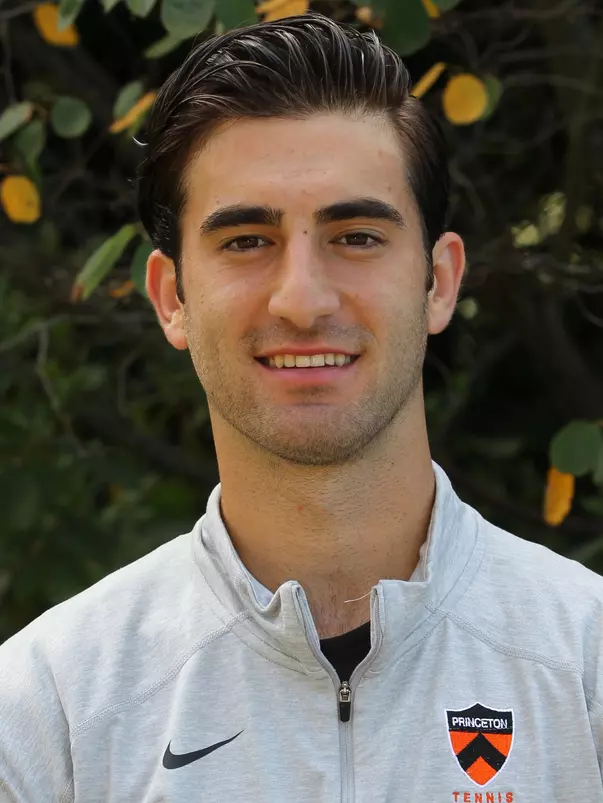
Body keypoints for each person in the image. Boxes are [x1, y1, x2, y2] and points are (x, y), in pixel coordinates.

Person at [1, 11, 603, 802]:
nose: (303, 299)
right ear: (171, 297)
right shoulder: (49, 709)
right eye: (246, 241)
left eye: (355, 236)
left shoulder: (585, 663)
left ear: (438, 281)